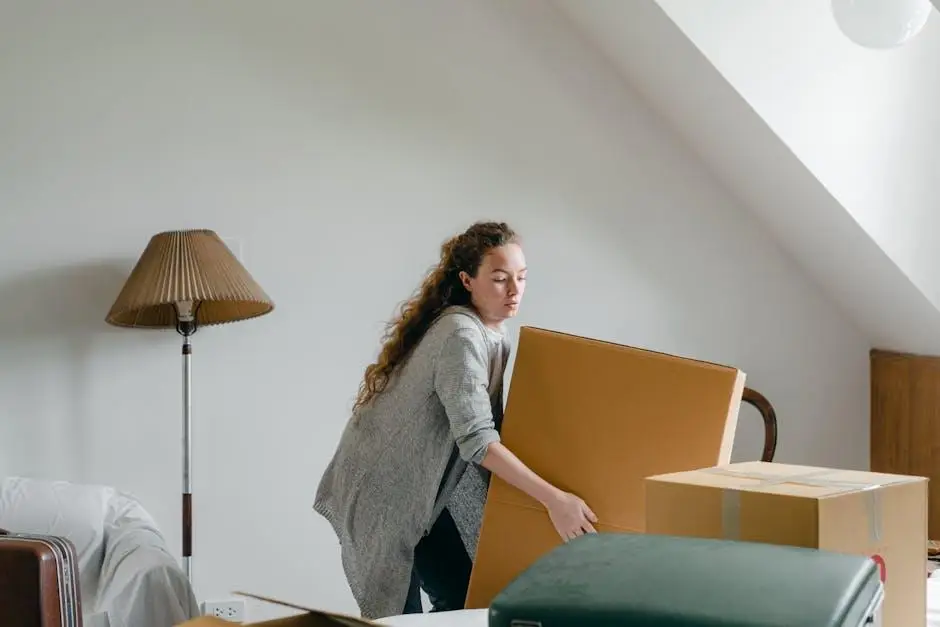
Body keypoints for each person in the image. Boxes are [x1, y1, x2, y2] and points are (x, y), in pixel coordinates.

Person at [314, 221, 597, 619]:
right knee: (397, 617)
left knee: (463, 600)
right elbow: (478, 440)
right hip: (385, 490)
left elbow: (492, 425)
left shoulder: (497, 333)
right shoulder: (461, 336)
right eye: (500, 279)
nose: (514, 291)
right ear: (467, 279)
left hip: (427, 487)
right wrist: (554, 499)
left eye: (522, 278)